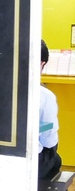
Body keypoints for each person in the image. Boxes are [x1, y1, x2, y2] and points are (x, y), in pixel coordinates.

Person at [39, 39, 62, 180]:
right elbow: (49, 140)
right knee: (56, 158)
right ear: (42, 63)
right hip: (31, 161)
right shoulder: (44, 95)